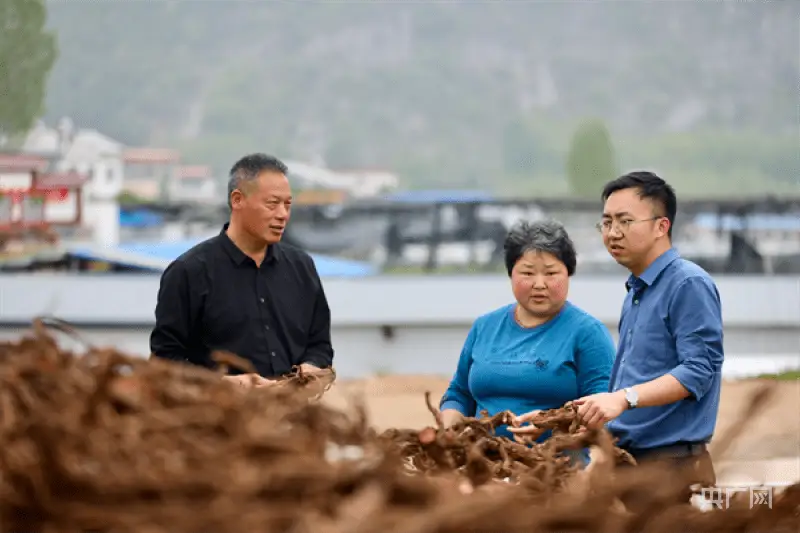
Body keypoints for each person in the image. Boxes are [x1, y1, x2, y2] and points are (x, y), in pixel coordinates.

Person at [574, 171, 723, 489]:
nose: (613, 232)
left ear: (661, 226)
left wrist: (624, 399)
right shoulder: (638, 290)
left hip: (670, 469)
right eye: (607, 222)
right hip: (630, 464)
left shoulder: (687, 284)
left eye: (625, 221)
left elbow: (698, 371)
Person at [149, 153, 335, 387]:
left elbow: (319, 345)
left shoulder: (302, 267)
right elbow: (163, 362)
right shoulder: (188, 272)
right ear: (237, 200)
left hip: (293, 415)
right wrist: (227, 385)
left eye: (287, 204)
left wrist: (309, 368)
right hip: (221, 417)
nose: (282, 214)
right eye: (272, 203)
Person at [438, 219, 616, 460]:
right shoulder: (485, 326)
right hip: (482, 467)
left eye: (551, 273)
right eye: (527, 273)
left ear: (568, 274)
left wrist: (555, 427)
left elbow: (604, 411)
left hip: (557, 470)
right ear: (511, 273)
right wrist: (450, 429)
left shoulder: (587, 332)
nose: (539, 284)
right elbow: (459, 394)